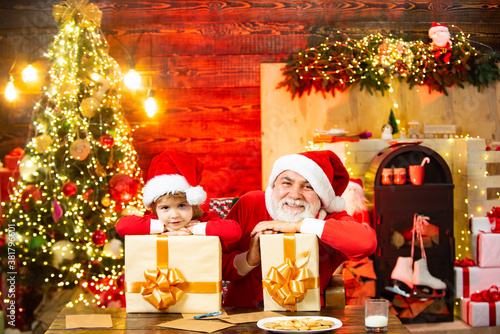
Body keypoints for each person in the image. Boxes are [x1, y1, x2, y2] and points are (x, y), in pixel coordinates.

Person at [222, 150, 377, 307]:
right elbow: (214, 265)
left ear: (321, 195)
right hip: (245, 318)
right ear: (274, 185)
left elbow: (366, 243)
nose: (295, 195)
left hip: (308, 321)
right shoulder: (251, 203)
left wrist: (298, 225)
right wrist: (248, 260)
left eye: (308, 186)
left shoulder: (329, 218)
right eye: (287, 183)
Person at [116, 151, 241, 249]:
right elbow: (122, 226)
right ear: (155, 209)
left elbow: (234, 231)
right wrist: (162, 226)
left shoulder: (204, 220)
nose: (174, 215)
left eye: (182, 206)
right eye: (165, 208)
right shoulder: (155, 220)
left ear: (193, 204)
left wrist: (194, 229)